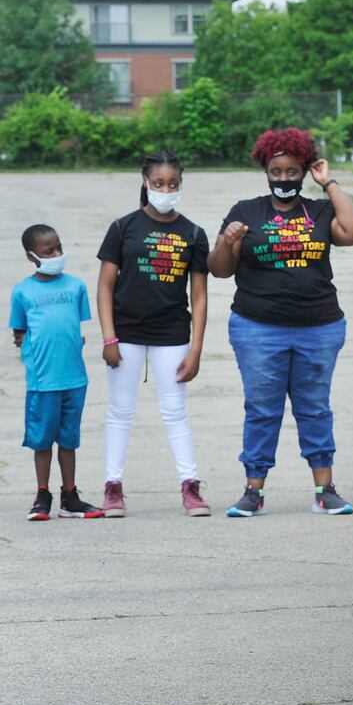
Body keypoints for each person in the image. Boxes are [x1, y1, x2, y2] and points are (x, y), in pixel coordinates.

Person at [209, 128, 353, 517]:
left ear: (303, 171)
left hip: (319, 325)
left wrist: (328, 181)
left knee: (314, 407)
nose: (284, 179)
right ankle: (253, 491)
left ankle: (325, 489)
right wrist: (228, 241)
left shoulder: (319, 210)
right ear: (266, 170)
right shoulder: (245, 211)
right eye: (276, 171)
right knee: (262, 409)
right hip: (258, 326)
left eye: (292, 171)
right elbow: (218, 270)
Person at [95, 150, 210, 517]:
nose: (166, 189)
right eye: (158, 183)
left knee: (175, 412)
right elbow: (104, 287)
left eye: (173, 183)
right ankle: (113, 487)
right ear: (146, 183)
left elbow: (200, 295)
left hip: (172, 333)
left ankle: (190, 487)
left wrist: (196, 349)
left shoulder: (193, 233)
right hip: (126, 332)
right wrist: (109, 338)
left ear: (181, 184)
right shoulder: (123, 227)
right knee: (120, 411)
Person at [10, 224, 103, 520]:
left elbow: (75, 327)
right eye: (49, 251)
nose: (57, 254)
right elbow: (20, 332)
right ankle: (42, 495)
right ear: (32, 256)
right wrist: (31, 355)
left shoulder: (76, 286)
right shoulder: (22, 291)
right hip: (43, 381)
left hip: (74, 378)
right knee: (42, 440)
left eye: (59, 247)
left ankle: (70, 496)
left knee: (69, 439)